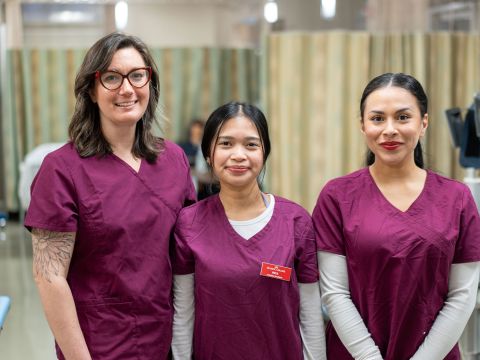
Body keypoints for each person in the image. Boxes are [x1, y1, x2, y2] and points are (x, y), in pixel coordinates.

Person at [24, 32, 196, 360]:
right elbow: (49, 276)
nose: (127, 89)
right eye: (112, 78)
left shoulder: (173, 160)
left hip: (163, 337)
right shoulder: (61, 169)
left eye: (137, 75)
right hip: (96, 342)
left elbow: (186, 253)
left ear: (150, 83)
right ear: (91, 89)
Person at [313, 73, 480, 359]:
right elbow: (335, 292)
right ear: (362, 126)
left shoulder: (457, 198)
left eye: (403, 117)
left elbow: (462, 296)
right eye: (377, 118)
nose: (389, 129)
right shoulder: (337, 196)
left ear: (423, 123)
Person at [171, 101, 327, 360]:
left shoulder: (296, 221)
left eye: (251, 144)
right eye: (226, 144)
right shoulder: (189, 224)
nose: (239, 155)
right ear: (208, 153)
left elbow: (310, 318)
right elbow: (183, 316)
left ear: (264, 152)